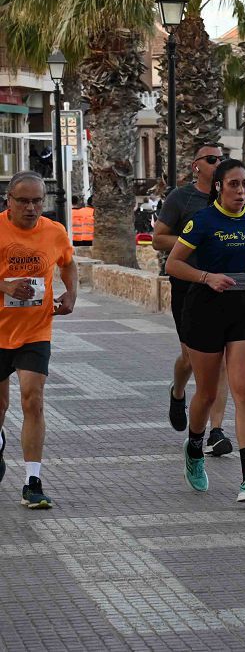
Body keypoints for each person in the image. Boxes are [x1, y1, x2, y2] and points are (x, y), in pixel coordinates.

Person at [165, 159, 245, 503]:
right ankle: (195, 449)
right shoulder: (202, 221)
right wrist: (206, 277)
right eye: (234, 184)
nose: (241, 191)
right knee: (207, 394)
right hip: (205, 309)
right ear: (218, 186)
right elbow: (174, 263)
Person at [0, 171, 77, 508]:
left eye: (37, 201)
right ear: (9, 202)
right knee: (0, 406)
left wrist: (72, 294)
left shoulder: (55, 231)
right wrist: (4, 287)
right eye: (23, 201)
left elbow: (68, 263)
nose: (31, 208)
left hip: (36, 329)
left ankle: (32, 481)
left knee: (33, 400)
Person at [153, 144, 233, 456]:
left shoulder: (229, 197)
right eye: (212, 160)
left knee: (221, 361)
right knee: (191, 357)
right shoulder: (181, 198)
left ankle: (216, 430)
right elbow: (158, 238)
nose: (218, 164)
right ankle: (177, 391)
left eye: (222, 160)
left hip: (222, 285)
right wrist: (195, 239)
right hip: (187, 286)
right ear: (195, 165)